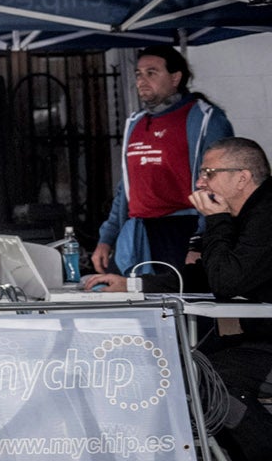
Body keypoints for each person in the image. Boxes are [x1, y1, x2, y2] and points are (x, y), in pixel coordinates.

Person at [85, 137, 272, 461]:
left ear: (242, 177)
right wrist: (132, 285)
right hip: (259, 334)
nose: (200, 182)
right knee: (186, 370)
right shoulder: (243, 215)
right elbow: (205, 275)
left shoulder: (264, 215)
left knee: (213, 379)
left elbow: (227, 281)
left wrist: (215, 221)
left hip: (265, 338)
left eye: (209, 173)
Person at [94, 46, 232, 283]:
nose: (142, 80)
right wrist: (107, 238)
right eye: (138, 74)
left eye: (151, 73)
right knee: (139, 309)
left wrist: (202, 240)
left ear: (175, 77)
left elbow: (220, 182)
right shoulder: (135, 122)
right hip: (139, 232)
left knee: (184, 310)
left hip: (184, 228)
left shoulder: (205, 118)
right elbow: (126, 188)